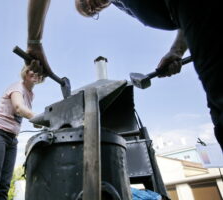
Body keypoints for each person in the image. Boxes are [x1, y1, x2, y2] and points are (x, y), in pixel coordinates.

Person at [25, 0, 223, 151]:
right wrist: (177, 51)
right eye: (91, 12)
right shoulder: (126, 5)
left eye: (84, 3)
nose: (92, 7)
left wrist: (34, 41)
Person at [0, 60, 43, 200]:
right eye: (33, 70)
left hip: (12, 140)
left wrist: (38, 122)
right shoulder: (17, 86)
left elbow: (26, 115)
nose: (36, 74)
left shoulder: (31, 95)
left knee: (4, 187)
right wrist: (40, 118)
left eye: (39, 73)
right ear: (25, 72)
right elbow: (19, 107)